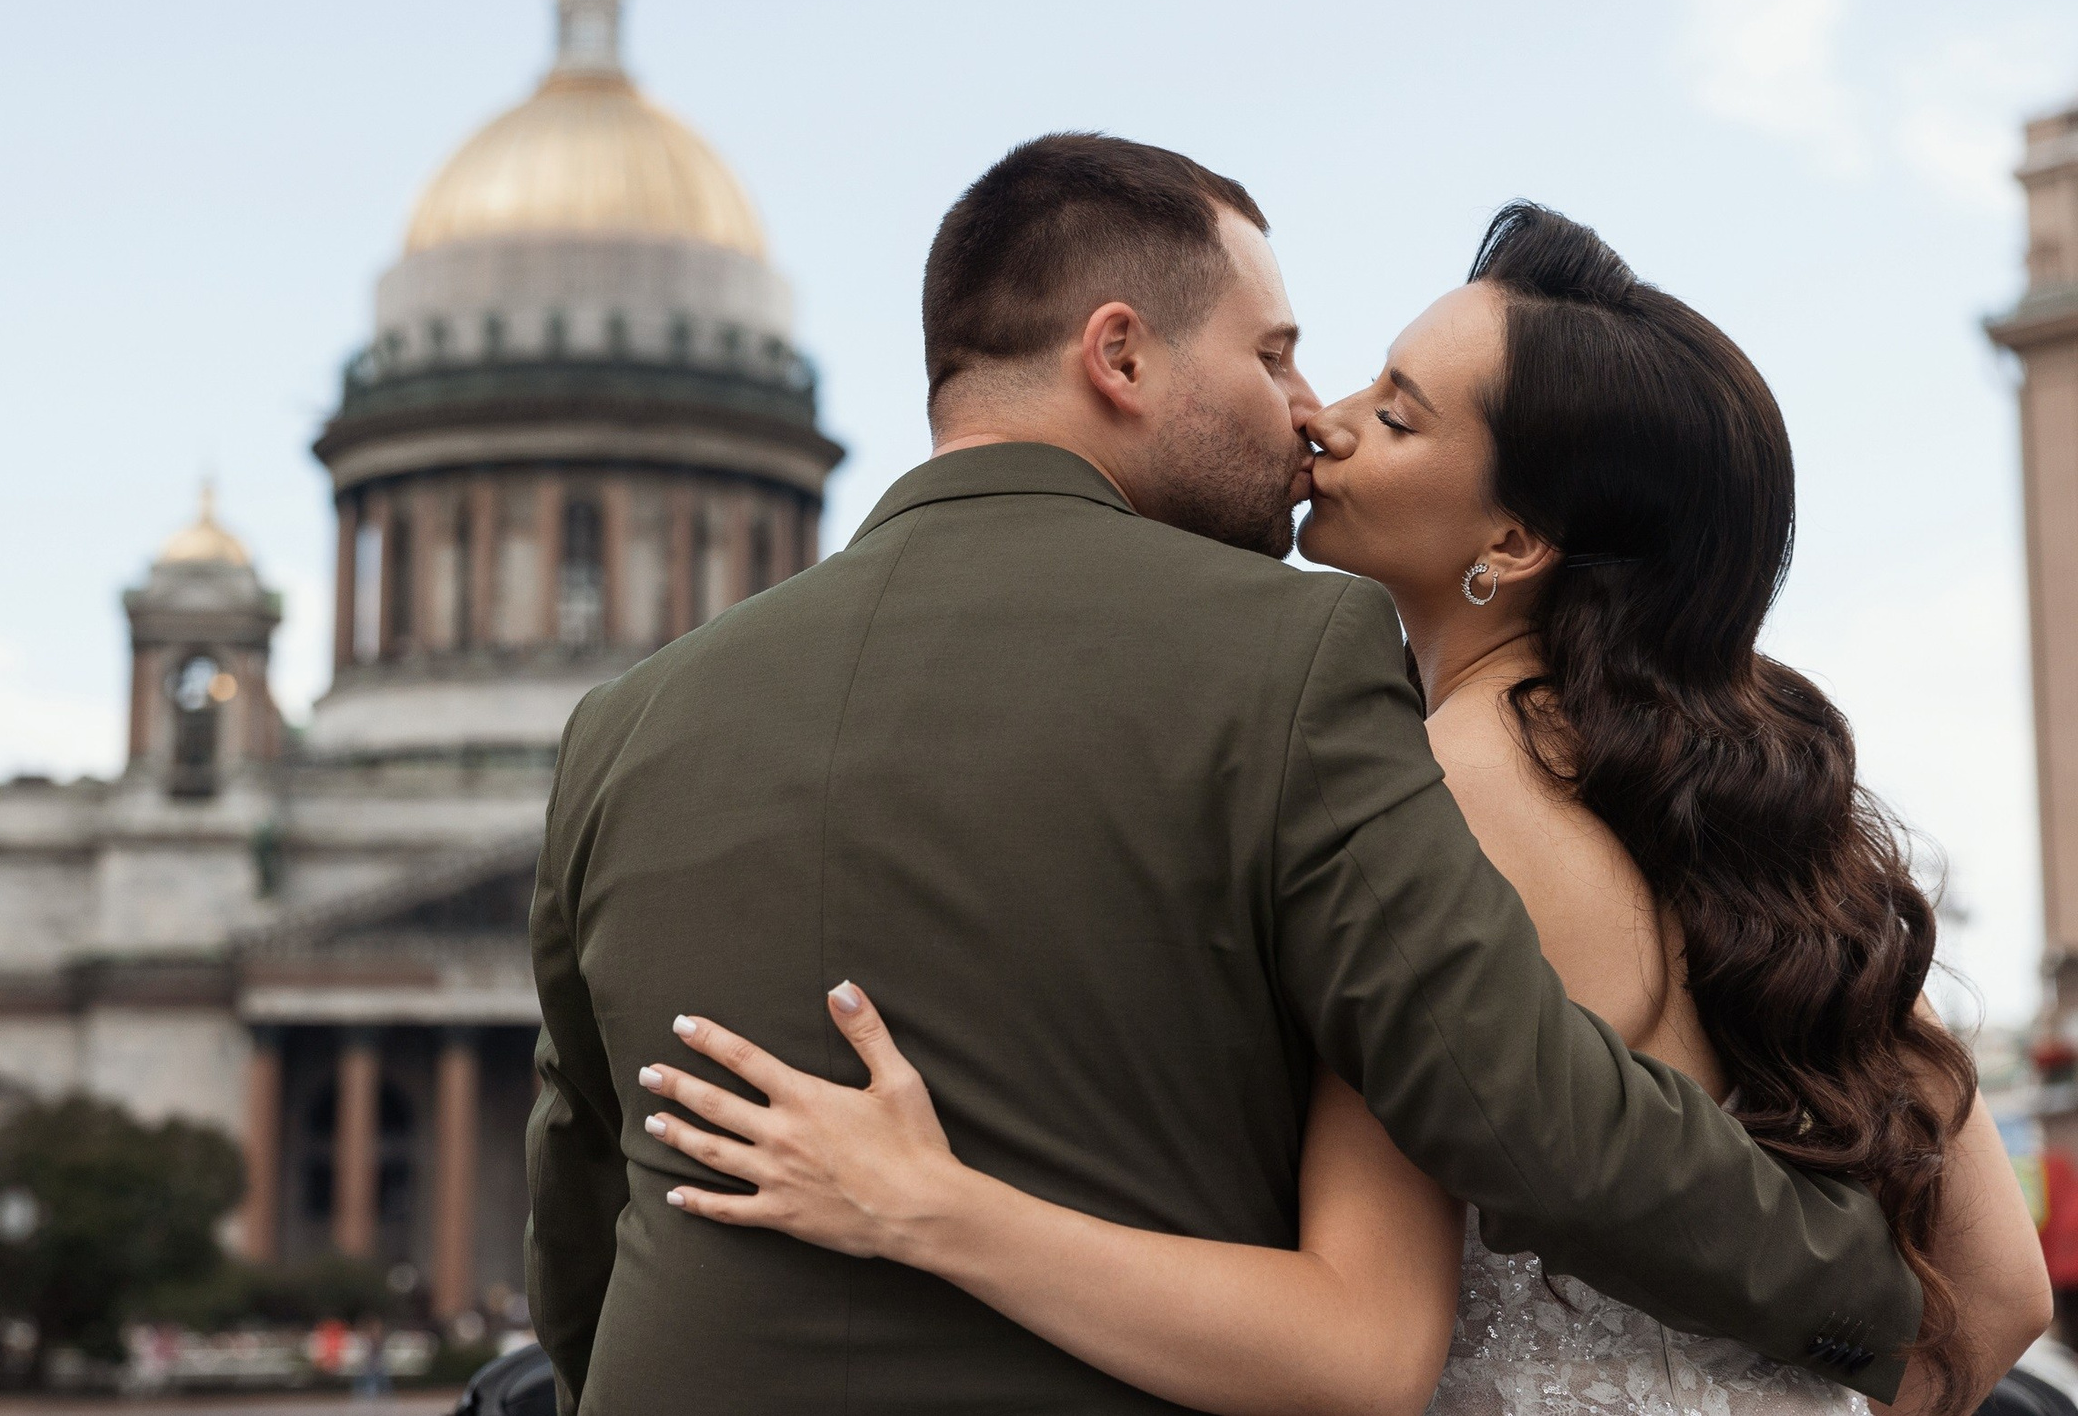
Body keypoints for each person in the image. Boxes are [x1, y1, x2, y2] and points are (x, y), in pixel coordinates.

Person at [528, 137, 1932, 1416]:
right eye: (1274, 357)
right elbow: (1535, 1116)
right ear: (1120, 358)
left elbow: (579, 1229)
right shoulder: (1295, 658)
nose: (1307, 413)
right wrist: (1867, 1312)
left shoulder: (623, 726)